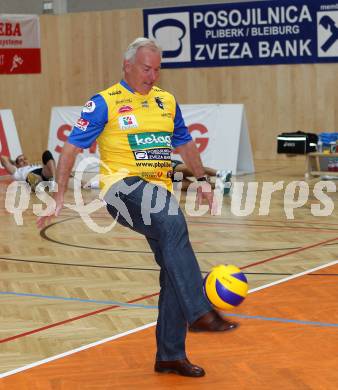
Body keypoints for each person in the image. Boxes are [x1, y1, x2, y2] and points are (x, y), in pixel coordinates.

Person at [37, 38, 238, 378]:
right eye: (146, 68)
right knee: (174, 222)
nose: (152, 76)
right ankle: (200, 312)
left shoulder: (166, 101)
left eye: (157, 69)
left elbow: (185, 143)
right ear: (127, 65)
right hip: (121, 189)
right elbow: (70, 150)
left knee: (172, 265)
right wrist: (58, 195)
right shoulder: (104, 102)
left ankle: (170, 355)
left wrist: (202, 180)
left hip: (157, 191)